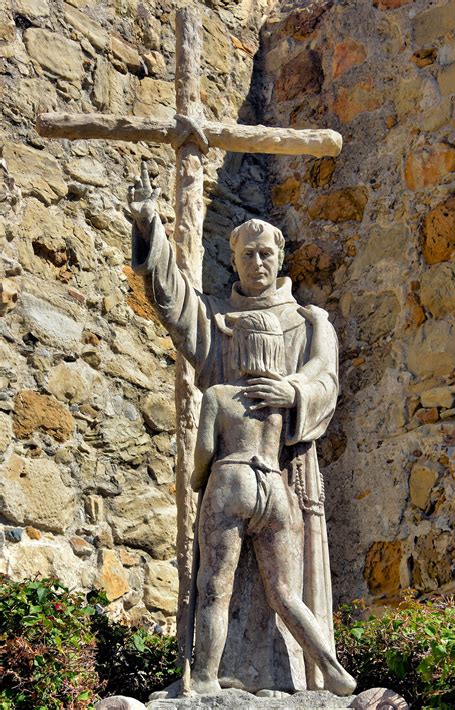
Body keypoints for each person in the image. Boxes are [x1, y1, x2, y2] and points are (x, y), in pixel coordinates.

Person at [130, 162, 346, 693]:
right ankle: (218, 673)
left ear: (281, 257)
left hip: (287, 469)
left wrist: (291, 391)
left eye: (266, 252)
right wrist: (151, 229)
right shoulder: (218, 320)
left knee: (257, 586)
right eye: (246, 254)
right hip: (261, 478)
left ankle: (301, 678)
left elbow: (327, 381)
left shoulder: (310, 320)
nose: (257, 261)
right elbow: (175, 305)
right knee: (257, 585)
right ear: (233, 261)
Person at [189, 310, 355, 696]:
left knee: (215, 586)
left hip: (232, 482)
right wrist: (320, 326)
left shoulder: (219, 396)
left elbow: (205, 453)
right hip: (274, 489)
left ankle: (203, 678)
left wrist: (201, 480)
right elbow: (317, 369)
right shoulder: (280, 399)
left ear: (242, 347)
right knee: (284, 593)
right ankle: (333, 671)